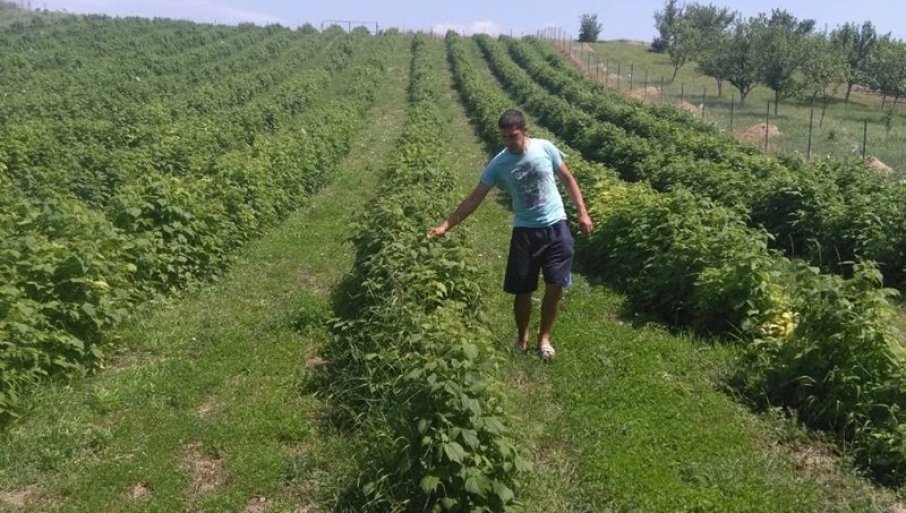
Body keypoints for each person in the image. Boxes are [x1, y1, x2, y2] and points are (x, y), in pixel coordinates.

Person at [427, 109, 593, 360]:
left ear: (525, 131)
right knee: (522, 290)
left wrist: (582, 212)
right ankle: (522, 338)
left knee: (556, 284)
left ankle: (544, 338)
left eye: (512, 136)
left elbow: (568, 179)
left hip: (556, 226)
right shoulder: (499, 164)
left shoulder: (545, 148)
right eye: (503, 137)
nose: (508, 142)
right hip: (525, 231)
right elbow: (475, 197)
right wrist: (446, 225)